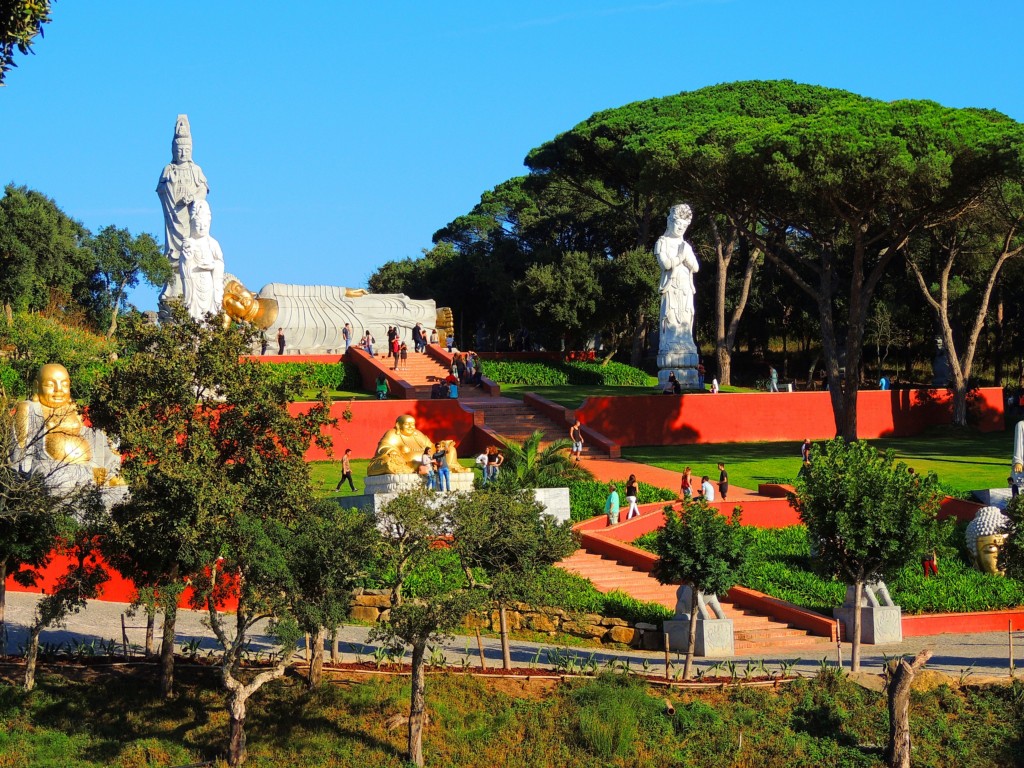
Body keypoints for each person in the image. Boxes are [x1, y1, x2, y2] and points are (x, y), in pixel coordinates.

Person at [156, 114, 209, 311]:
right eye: (179, 150)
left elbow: (204, 189)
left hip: (189, 218)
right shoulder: (169, 169)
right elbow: (161, 190)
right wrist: (171, 193)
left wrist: (193, 196)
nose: (183, 152)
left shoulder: (196, 170)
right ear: (173, 150)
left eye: (186, 149)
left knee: (191, 248)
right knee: (173, 253)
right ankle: (172, 286)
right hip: (173, 216)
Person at [655, 204, 699, 355]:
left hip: (685, 287)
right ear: (670, 222)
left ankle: (686, 343)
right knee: (671, 314)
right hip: (671, 286)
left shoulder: (686, 245)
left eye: (684, 225)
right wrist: (681, 257)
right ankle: (669, 344)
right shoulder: (662, 242)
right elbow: (665, 264)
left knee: (686, 314)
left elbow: (696, 267)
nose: (680, 227)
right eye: (678, 223)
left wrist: (686, 256)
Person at [367, 415, 436, 475]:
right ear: (398, 425)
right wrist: (392, 451)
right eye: (407, 424)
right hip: (405, 463)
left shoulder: (418, 434)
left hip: (425, 463)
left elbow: (431, 446)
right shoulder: (392, 433)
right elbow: (384, 446)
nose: (410, 426)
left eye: (412, 424)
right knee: (388, 460)